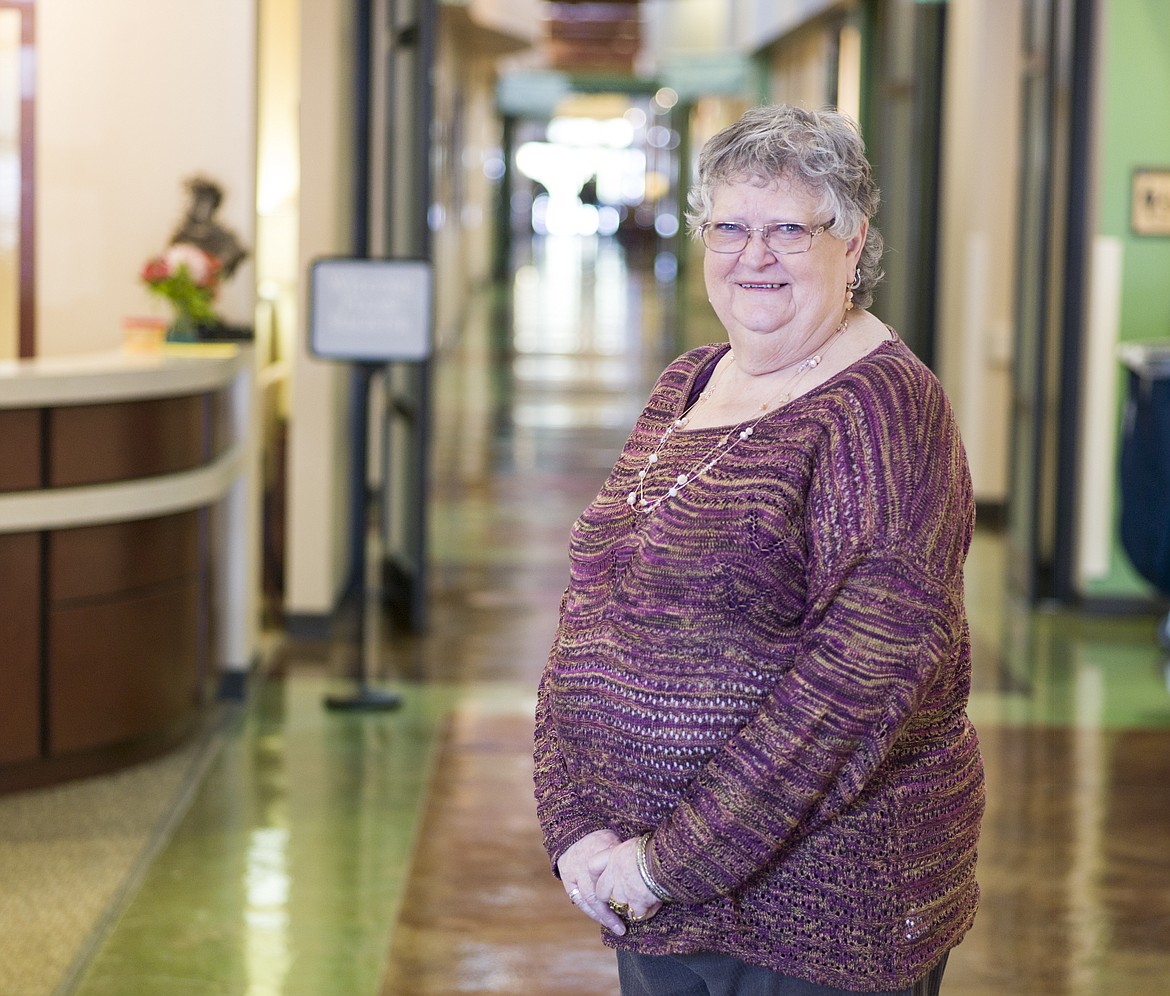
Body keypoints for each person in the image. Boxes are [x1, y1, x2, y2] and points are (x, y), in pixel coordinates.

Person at [532, 103, 985, 996]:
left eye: (788, 230)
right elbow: (591, 601)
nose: (754, 255)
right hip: (646, 896)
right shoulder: (689, 381)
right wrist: (574, 821)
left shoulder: (885, 409)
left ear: (853, 242)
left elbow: (859, 681)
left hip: (815, 912)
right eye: (730, 227)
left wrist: (669, 863)